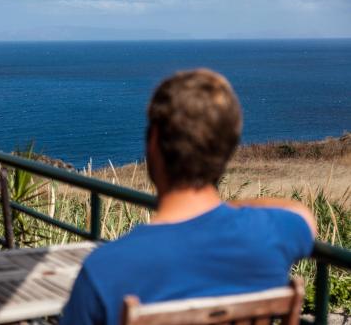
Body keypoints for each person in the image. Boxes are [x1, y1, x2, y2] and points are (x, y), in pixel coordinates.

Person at [59, 69, 316, 325]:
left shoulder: (105, 271)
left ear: (154, 142)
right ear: (228, 148)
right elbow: (302, 214)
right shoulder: (272, 235)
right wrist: (220, 209)